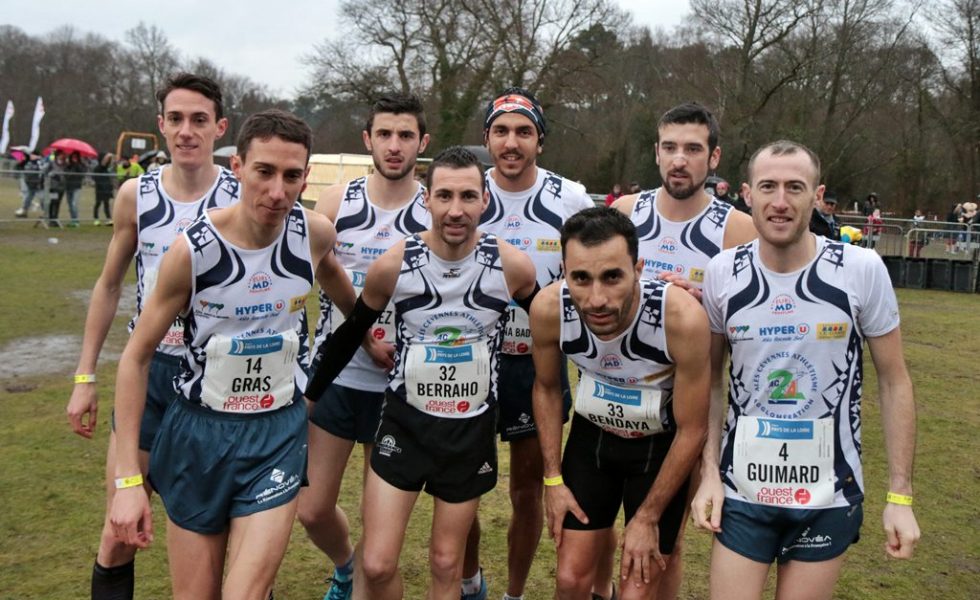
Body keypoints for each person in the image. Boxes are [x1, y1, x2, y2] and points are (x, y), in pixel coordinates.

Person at [110, 108, 358, 599]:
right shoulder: (193, 252)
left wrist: (369, 334)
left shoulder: (314, 234)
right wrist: (126, 481)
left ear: (306, 177)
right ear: (239, 167)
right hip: (198, 437)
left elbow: (340, 287)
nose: (277, 191)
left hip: (276, 436)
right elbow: (134, 358)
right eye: (264, 172)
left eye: (291, 176)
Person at [305, 146, 537, 600]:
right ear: (426, 199)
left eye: (468, 197)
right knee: (376, 562)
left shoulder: (511, 266)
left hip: (468, 433)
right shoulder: (394, 265)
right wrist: (308, 402)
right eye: (445, 196)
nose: (456, 210)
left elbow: (555, 325)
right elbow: (351, 334)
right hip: (405, 427)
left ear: (485, 200)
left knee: (447, 562)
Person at [692, 140, 919, 600]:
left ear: (817, 196)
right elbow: (710, 384)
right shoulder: (721, 272)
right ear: (746, 195)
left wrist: (900, 497)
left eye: (795, 187)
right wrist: (710, 474)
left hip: (828, 493)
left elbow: (895, 381)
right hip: (743, 492)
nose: (780, 201)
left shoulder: (860, 269)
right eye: (768, 186)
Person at [65, 73, 240, 600]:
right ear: (161, 125)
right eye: (177, 119)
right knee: (119, 531)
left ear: (219, 127)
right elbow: (109, 284)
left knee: (217, 537)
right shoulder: (134, 195)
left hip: (217, 385)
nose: (187, 131)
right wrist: (84, 375)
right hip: (151, 376)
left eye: (200, 120)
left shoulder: (241, 194)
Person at [612, 102, 755, 600]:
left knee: (663, 550)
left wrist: (700, 308)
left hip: (689, 408)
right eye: (670, 147)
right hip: (619, 397)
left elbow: (751, 327)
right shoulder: (626, 214)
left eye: (693, 149)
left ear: (713, 158)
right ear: (655, 153)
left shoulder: (738, 229)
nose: (680, 159)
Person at [532, 206, 710, 600]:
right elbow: (546, 389)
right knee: (570, 581)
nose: (596, 298)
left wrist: (648, 516)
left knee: (638, 589)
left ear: (638, 269)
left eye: (612, 277)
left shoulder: (680, 318)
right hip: (592, 441)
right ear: (565, 273)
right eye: (581, 278)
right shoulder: (548, 309)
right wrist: (553, 480)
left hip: (659, 449)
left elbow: (693, 428)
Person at [298, 92, 431, 600]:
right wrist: (365, 329)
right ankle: (343, 564)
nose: (394, 147)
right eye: (384, 135)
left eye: (405, 136)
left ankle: (364, 573)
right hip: (336, 379)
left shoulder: (433, 211)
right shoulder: (337, 203)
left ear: (423, 142)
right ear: (367, 139)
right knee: (310, 509)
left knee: (383, 553)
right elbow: (313, 274)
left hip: (397, 391)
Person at [464, 86, 594, 600]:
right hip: (470, 361)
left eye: (523, 132)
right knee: (464, 490)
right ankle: (470, 581)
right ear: (487, 139)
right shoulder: (466, 192)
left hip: (536, 366)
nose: (511, 142)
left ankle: (514, 594)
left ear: (540, 140)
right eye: (501, 131)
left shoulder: (570, 198)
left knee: (526, 491)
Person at [65, 151, 87, 227]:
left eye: (76, 157)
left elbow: (82, 173)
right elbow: (66, 173)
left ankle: (76, 220)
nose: (74, 158)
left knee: (74, 204)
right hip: (68, 187)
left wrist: (76, 164)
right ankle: (73, 219)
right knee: (70, 204)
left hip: (77, 187)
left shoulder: (81, 165)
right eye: (73, 157)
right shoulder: (68, 165)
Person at [92, 152, 115, 225]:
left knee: (106, 204)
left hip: (107, 189)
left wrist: (111, 157)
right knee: (98, 203)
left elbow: (110, 162)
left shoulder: (106, 169)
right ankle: (96, 219)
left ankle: (108, 219)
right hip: (100, 189)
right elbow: (95, 178)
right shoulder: (97, 168)